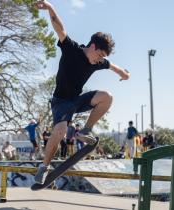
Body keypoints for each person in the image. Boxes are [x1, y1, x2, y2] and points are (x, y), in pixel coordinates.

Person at [34, 0, 130, 184]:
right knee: (60, 129)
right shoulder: (71, 49)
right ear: (93, 46)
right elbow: (59, 27)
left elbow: (114, 66)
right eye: (100, 55)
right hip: (60, 102)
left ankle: (86, 130)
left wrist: (124, 74)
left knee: (107, 97)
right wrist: (50, 7)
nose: (99, 60)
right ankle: (44, 167)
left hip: (77, 100)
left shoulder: (98, 61)